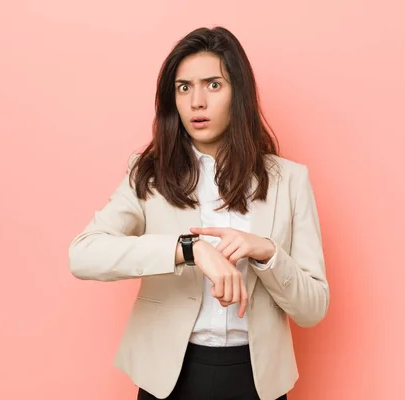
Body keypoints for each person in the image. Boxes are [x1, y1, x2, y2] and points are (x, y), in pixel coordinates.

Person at [68, 26, 329, 400]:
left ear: (238, 94)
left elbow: (313, 309)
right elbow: (83, 254)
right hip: (169, 379)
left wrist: (267, 253)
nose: (196, 102)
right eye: (184, 87)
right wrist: (188, 249)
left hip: (256, 381)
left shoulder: (289, 180)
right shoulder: (149, 175)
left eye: (213, 85)